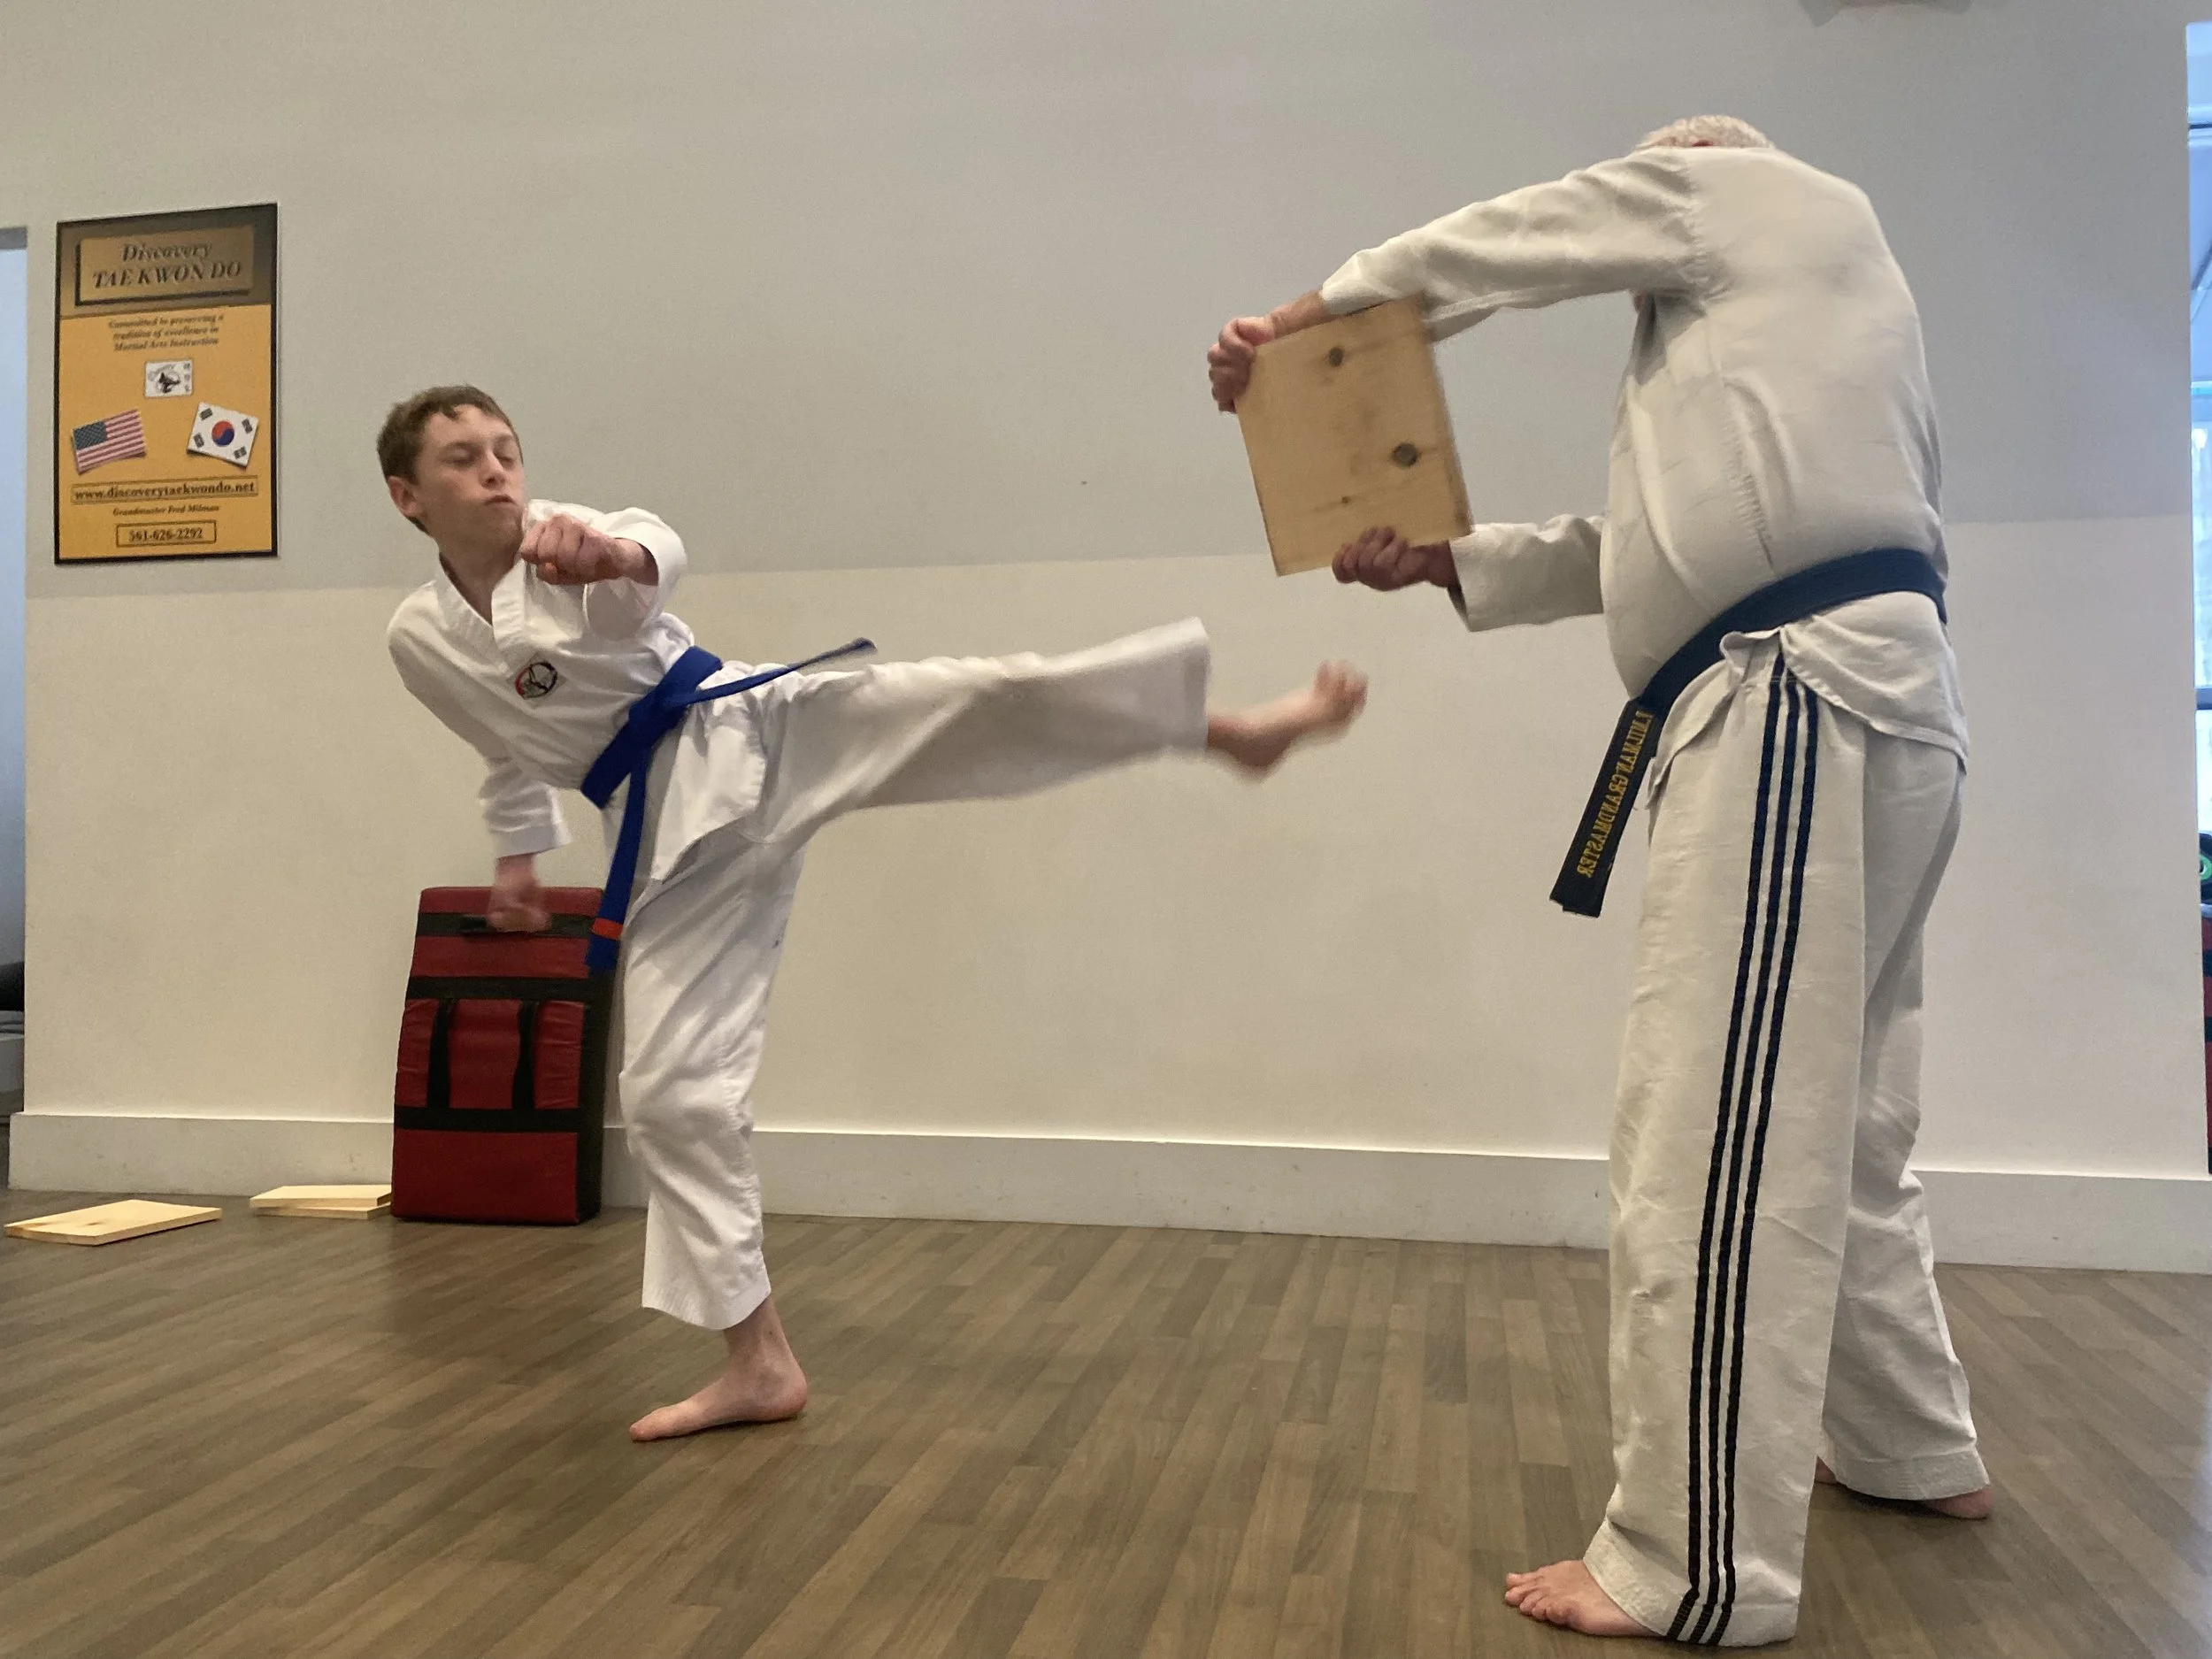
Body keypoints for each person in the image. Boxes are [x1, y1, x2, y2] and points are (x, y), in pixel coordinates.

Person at [1209, 116, 1989, 1647]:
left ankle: (1690, 1562)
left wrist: (1325, 320)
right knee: (1847, 1124)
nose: (1649, 185)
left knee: (1712, 1142)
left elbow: (1526, 233)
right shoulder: (1785, 343)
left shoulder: (1748, 186)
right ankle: (1912, 1444)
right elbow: (1641, 548)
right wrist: (1451, 563)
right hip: (1876, 702)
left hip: (1793, 702)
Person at [379, 385, 1367, 1442]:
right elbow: (497, 740)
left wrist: (612, 558)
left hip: (750, 725)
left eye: (506, 450)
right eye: (461, 460)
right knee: (669, 1096)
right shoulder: (418, 641)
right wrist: (518, 854)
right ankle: (759, 1364)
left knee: (979, 696)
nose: (496, 472)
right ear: (408, 497)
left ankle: (1228, 733)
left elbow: (650, 555)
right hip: (666, 832)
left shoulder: (565, 542)